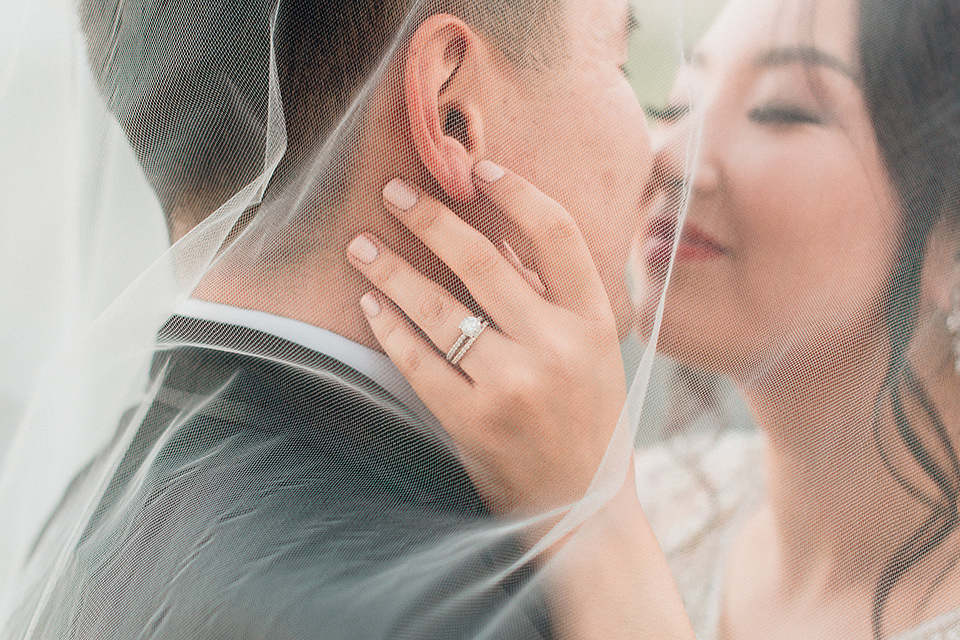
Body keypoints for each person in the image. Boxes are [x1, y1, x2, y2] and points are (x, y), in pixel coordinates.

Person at [0, 0, 694, 638]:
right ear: (451, 109)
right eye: (622, 64)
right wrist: (607, 532)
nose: (665, 150)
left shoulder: (100, 499)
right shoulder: (455, 613)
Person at [355, 0, 960, 637]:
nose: (671, 156)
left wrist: (594, 520)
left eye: (782, 112)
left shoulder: (591, 497)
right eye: (675, 107)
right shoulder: (659, 498)